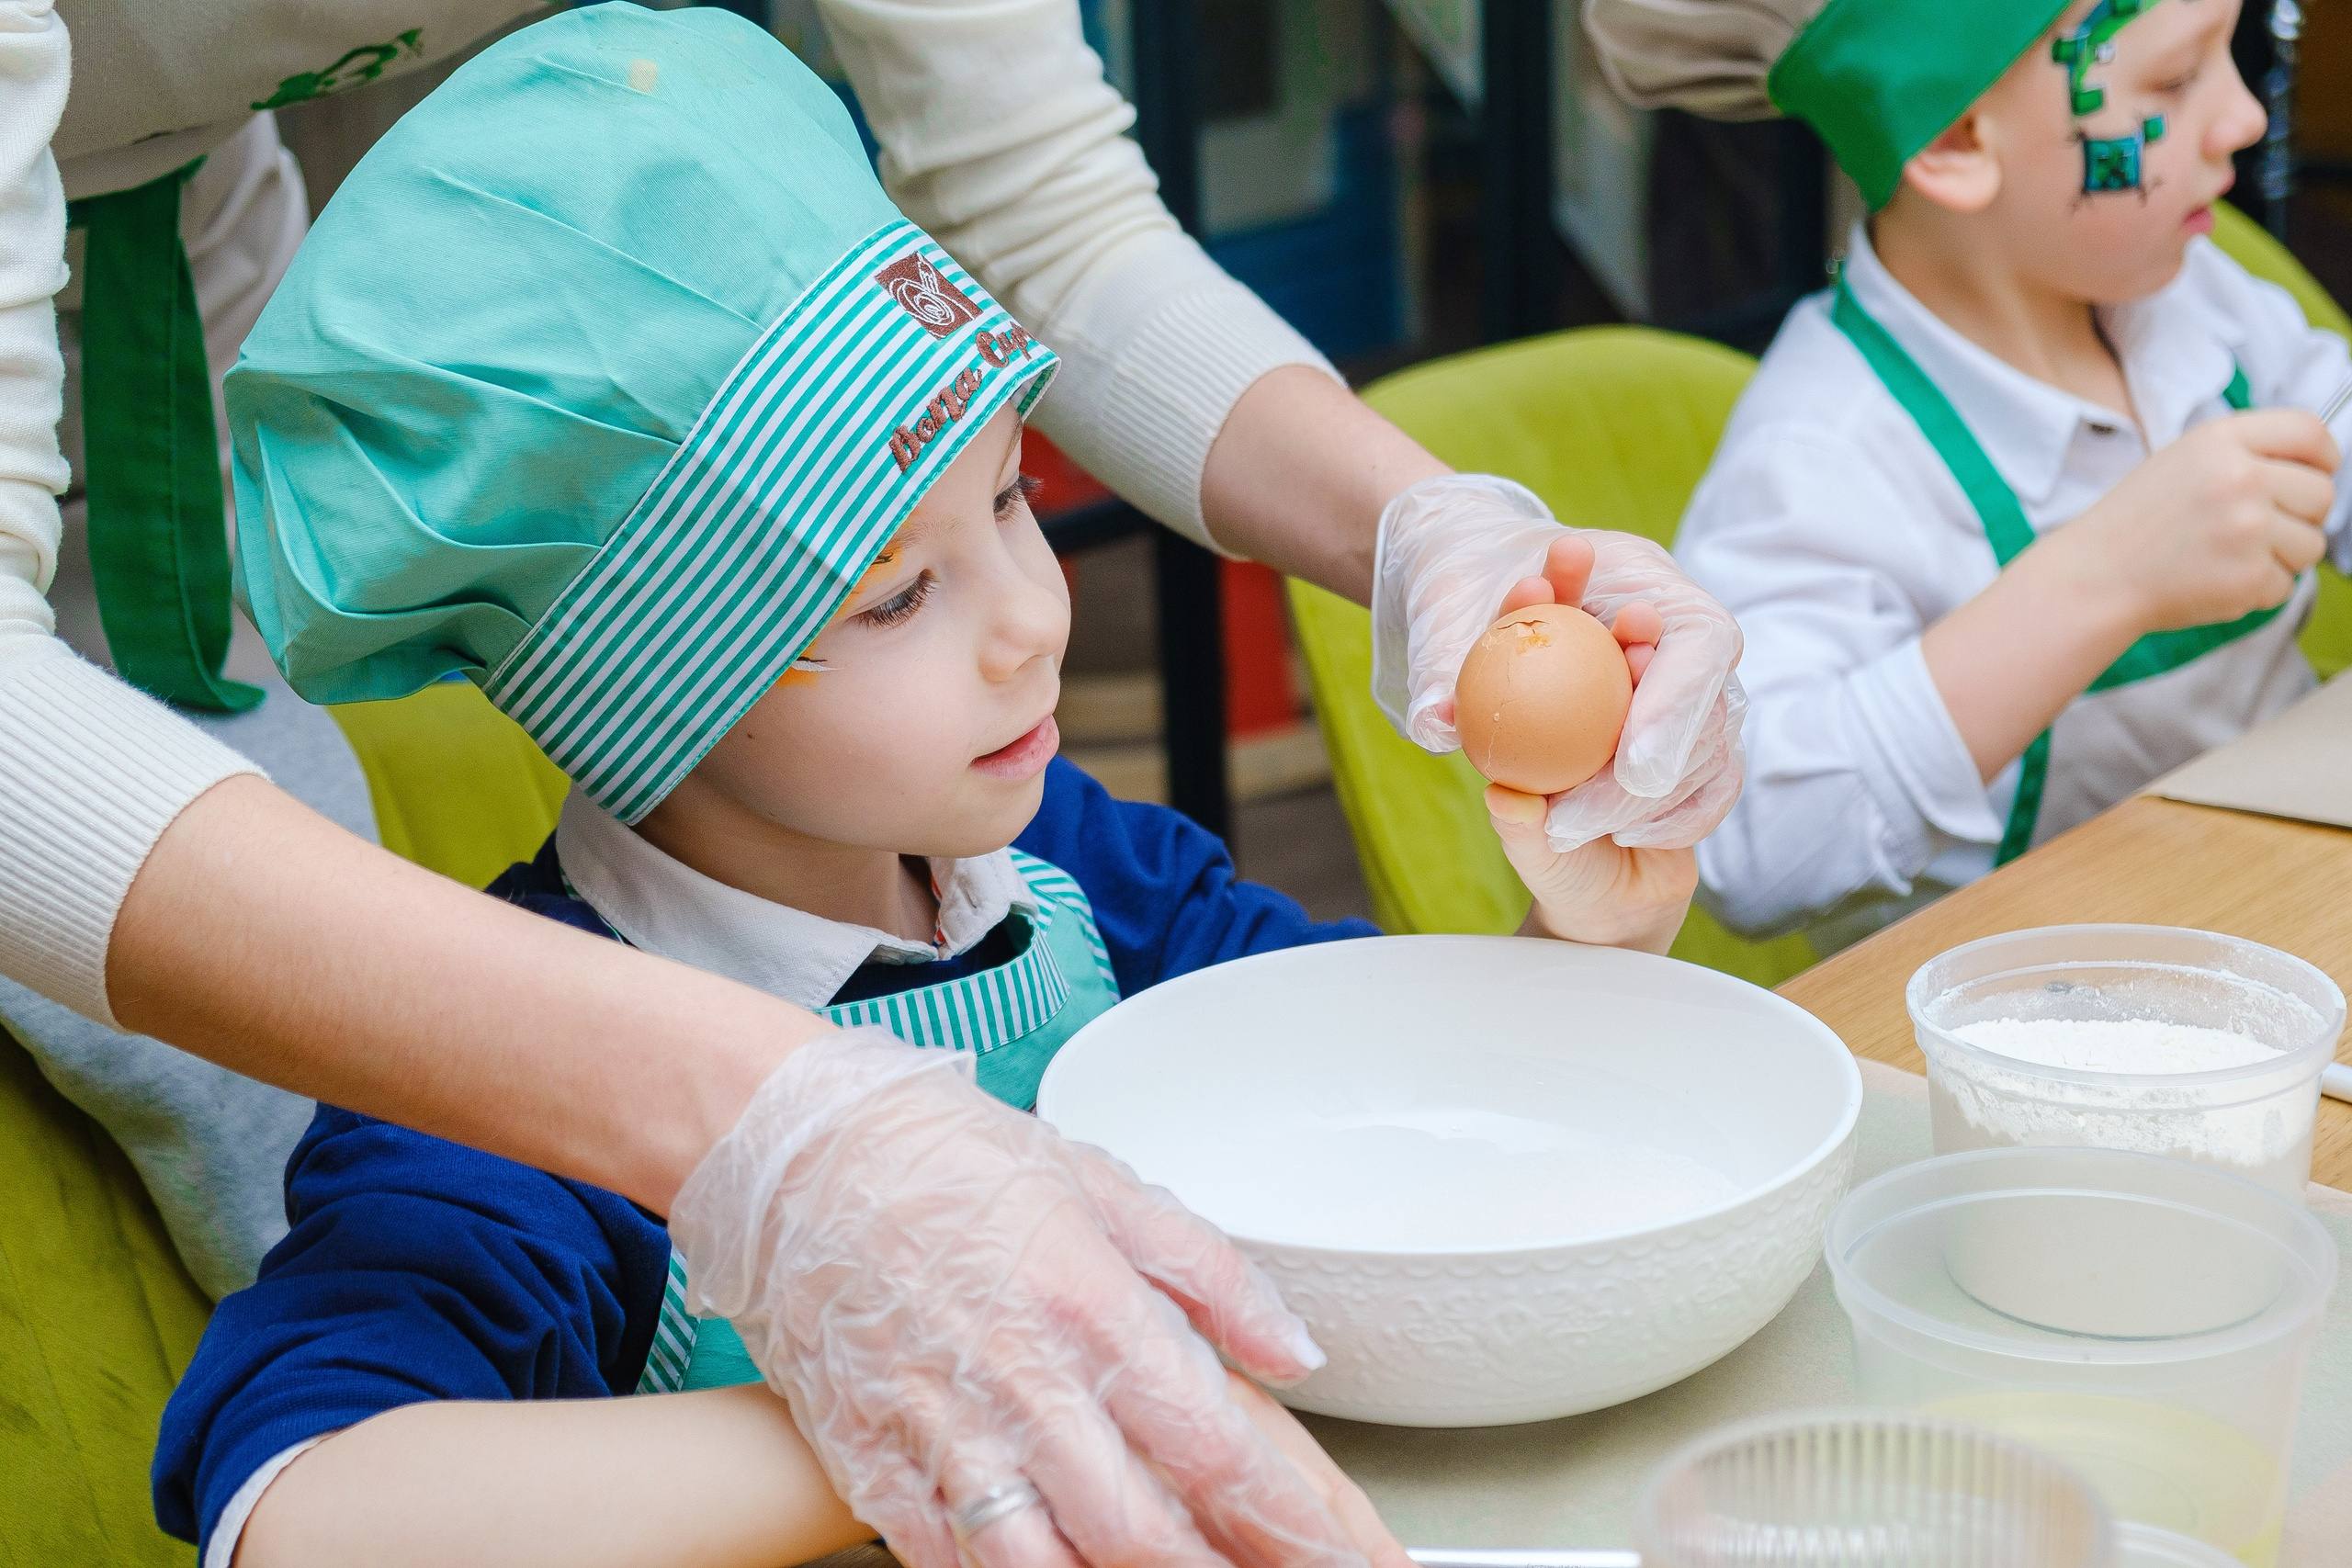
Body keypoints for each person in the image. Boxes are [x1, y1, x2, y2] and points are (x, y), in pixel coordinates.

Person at [3, 2, 1742, 1561]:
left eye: (1011, 499)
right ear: (633, 689)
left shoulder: (1083, 874)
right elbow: (296, 1506)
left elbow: (1380, 1146)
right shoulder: (508, 1106)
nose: (1030, 621)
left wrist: (1576, 944)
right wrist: (922, 1397)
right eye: (896, 592)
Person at [1584, 0, 2349, 948]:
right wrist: (2101, 582)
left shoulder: (2192, 292)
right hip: (2021, 1028)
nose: (2244, 119)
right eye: (2174, 79)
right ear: (1953, 140)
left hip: (2285, 914)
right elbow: (1748, 851)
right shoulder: (1824, 451)